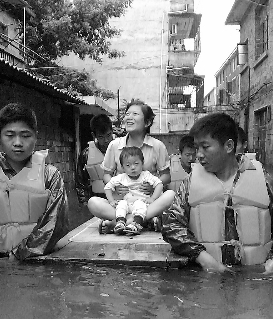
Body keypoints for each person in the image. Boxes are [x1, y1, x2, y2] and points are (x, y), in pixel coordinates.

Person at [161, 112, 273, 273]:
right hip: (208, 277)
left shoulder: (263, 179)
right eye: (196, 148)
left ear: (229, 146)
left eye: (205, 147)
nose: (198, 155)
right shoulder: (192, 181)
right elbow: (171, 224)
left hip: (258, 276)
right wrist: (203, 258)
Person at [0, 103, 69, 262]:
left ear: (36, 136)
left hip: (35, 262)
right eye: (10, 135)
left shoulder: (50, 175)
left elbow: (55, 224)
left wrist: (19, 254)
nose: (17, 142)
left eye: (25, 135)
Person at [87, 98, 175, 233]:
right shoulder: (115, 145)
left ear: (147, 122)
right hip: (122, 202)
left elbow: (166, 176)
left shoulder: (157, 146)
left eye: (135, 114)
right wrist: (116, 187)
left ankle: (121, 222)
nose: (129, 117)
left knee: (171, 195)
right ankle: (141, 221)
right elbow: (106, 174)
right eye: (127, 114)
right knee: (93, 202)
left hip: (147, 201)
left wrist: (153, 186)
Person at [104, 147, 163, 235]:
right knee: (121, 205)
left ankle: (136, 224)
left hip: (143, 204)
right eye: (128, 165)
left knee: (140, 205)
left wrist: (153, 198)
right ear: (123, 167)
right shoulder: (121, 177)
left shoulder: (146, 175)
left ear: (142, 163)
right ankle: (120, 222)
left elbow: (159, 184)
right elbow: (108, 187)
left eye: (136, 164)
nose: (133, 167)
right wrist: (111, 201)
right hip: (127, 205)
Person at [75, 114, 114, 205]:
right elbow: (80, 183)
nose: (106, 140)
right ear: (94, 135)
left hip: (119, 200)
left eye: (108, 135)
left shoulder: (122, 150)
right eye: (101, 137)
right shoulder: (86, 154)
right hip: (97, 202)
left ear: (112, 131)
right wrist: (85, 204)